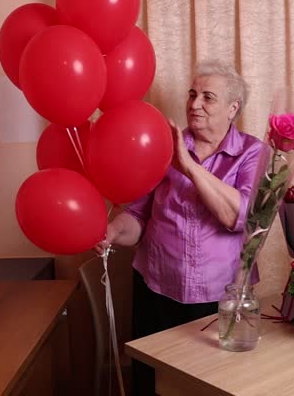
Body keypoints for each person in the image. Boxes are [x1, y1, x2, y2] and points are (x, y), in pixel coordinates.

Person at [95, 61, 264, 396]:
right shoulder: (160, 146)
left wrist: (186, 165)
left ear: (233, 108)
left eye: (208, 97)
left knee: (212, 384)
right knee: (152, 381)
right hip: (156, 287)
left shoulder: (251, 152)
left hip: (221, 296)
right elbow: (139, 217)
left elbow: (239, 216)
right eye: (192, 94)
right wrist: (112, 232)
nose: (194, 103)